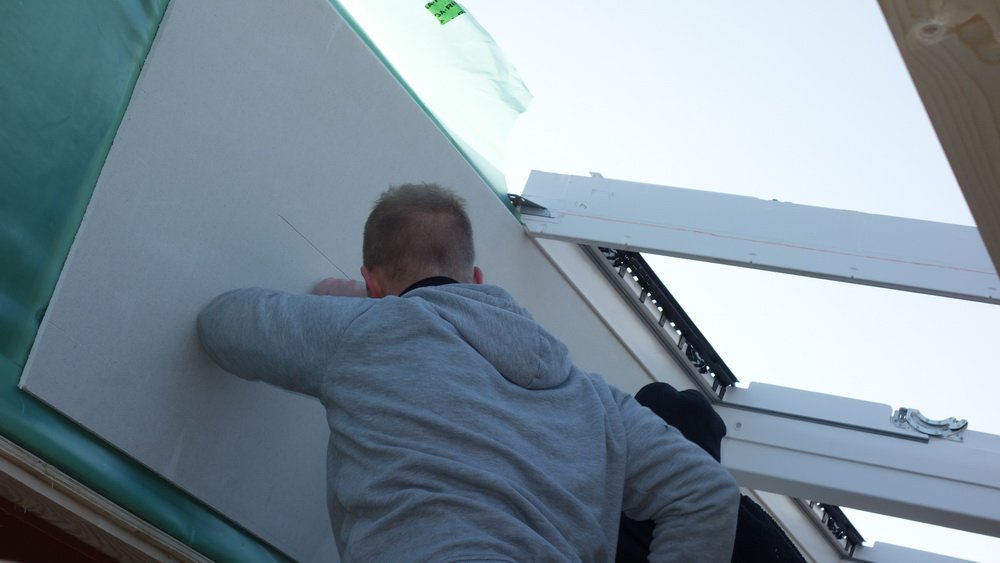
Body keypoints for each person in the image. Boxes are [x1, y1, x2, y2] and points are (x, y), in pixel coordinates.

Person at [197, 183, 739, 561]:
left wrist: (361, 308)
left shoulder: (366, 330)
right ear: (477, 278)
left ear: (373, 280)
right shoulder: (594, 398)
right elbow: (706, 492)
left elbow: (222, 323)